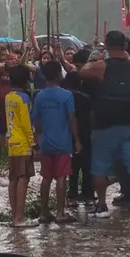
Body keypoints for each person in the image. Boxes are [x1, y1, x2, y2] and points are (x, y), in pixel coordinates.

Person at [79, 30, 130, 221]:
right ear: (125, 46)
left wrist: (94, 56)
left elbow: (82, 72)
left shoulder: (101, 66)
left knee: (100, 166)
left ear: (107, 44)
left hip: (105, 124)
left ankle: (102, 206)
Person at [32, 61, 81, 224]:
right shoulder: (66, 95)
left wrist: (38, 139)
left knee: (46, 177)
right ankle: (60, 213)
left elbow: (36, 121)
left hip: (46, 142)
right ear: (60, 75)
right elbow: (72, 118)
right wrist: (77, 140)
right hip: (62, 142)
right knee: (61, 177)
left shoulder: (39, 96)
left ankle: (44, 213)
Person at [5, 65, 37, 227]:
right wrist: (33, 143)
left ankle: (14, 215)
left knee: (13, 178)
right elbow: (26, 123)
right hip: (23, 143)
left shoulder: (8, 97)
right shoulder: (24, 99)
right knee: (23, 179)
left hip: (12, 142)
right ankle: (19, 217)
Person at [63, 49, 94, 203]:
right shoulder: (85, 98)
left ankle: (73, 192)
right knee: (87, 165)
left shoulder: (65, 98)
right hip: (86, 133)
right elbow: (90, 115)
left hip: (68, 134)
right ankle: (87, 193)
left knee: (73, 166)